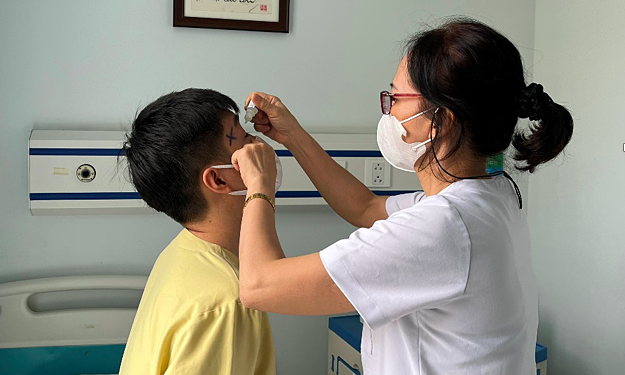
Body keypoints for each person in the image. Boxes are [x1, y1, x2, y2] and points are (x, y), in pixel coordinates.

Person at [231, 19, 573, 374]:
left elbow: (259, 286)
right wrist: (293, 136)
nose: (389, 111)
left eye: (395, 98)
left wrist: (259, 184)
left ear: (443, 121)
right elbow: (364, 207)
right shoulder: (492, 192)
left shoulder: (442, 227)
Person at [119, 88, 276, 375]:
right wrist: (261, 188)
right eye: (245, 142)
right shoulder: (227, 302)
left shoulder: (182, 253)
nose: (259, 145)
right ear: (217, 178)